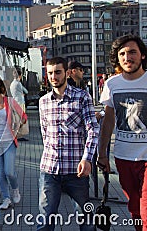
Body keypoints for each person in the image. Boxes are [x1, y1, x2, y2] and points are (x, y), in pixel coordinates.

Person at [37, 57, 99, 230]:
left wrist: (87, 159)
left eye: (57, 72)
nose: (53, 76)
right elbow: (45, 133)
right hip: (49, 171)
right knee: (45, 220)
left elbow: (93, 129)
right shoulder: (43, 102)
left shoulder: (81, 97)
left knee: (86, 219)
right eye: (50, 73)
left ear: (66, 72)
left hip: (76, 172)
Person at [98, 34, 147, 231]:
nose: (128, 57)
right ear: (117, 59)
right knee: (134, 208)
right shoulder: (112, 84)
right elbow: (108, 121)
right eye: (122, 54)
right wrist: (102, 154)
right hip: (123, 157)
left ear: (142, 55)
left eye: (132, 52)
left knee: (146, 210)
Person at [0, 76, 27, 210]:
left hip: (9, 142)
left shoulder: (10, 102)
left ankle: (15, 189)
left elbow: (23, 116)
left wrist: (21, 122)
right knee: (1, 172)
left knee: (9, 172)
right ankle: (6, 198)